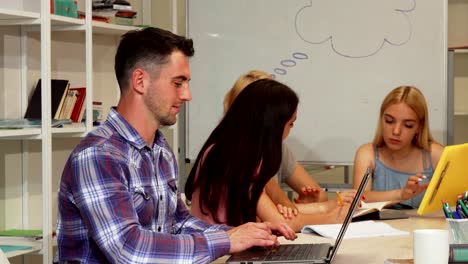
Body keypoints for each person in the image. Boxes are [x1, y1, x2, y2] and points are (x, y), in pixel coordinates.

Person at [55, 27, 296, 264]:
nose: (187, 95)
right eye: (178, 83)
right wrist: (226, 241)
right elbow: (128, 250)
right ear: (140, 81)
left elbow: (179, 223)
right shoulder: (98, 155)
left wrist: (244, 234)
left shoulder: (160, 151)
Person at [185, 78, 351, 232]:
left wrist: (329, 208)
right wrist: (332, 218)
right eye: (290, 124)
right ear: (272, 125)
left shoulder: (230, 149)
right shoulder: (237, 159)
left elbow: (280, 211)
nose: (289, 131)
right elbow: (282, 224)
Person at [224, 70, 355, 219]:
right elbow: (277, 219)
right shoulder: (236, 155)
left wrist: (318, 206)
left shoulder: (275, 149)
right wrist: (329, 214)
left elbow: (286, 209)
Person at [353, 85, 444, 208]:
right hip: (378, 227)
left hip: (425, 227)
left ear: (419, 127)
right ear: (381, 119)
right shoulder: (367, 153)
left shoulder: (435, 154)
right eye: (389, 121)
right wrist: (401, 194)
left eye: (408, 125)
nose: (396, 131)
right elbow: (359, 199)